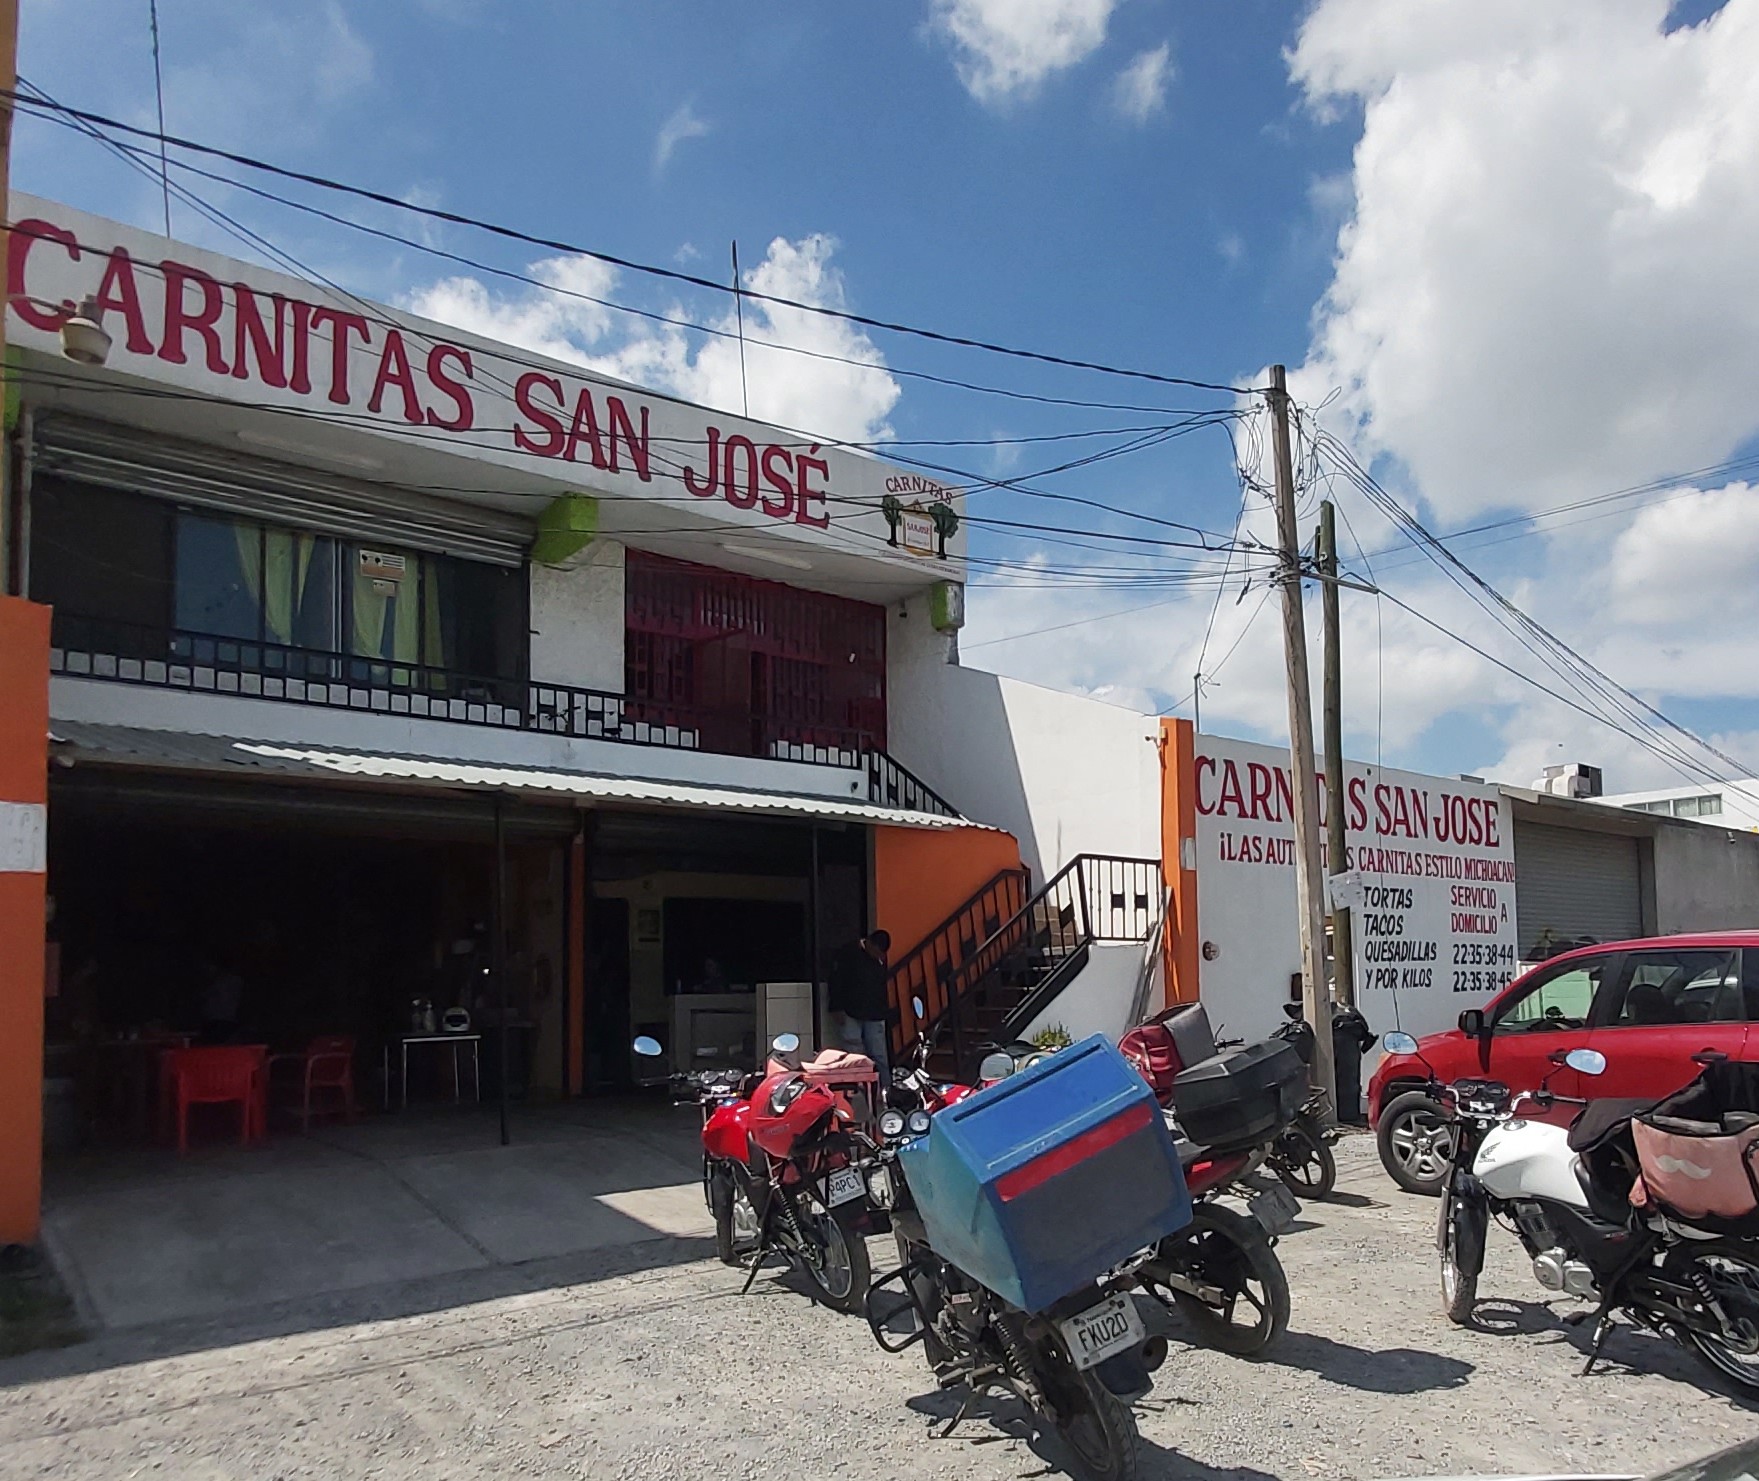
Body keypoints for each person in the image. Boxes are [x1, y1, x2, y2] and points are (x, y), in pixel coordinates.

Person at [827, 930, 891, 1076]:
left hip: (875, 1011)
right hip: (850, 1010)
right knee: (854, 1053)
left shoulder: (880, 959)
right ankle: (858, 1088)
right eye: (877, 952)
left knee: (878, 1053)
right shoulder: (848, 952)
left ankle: (885, 1089)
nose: (878, 955)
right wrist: (836, 1007)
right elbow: (836, 981)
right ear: (869, 944)